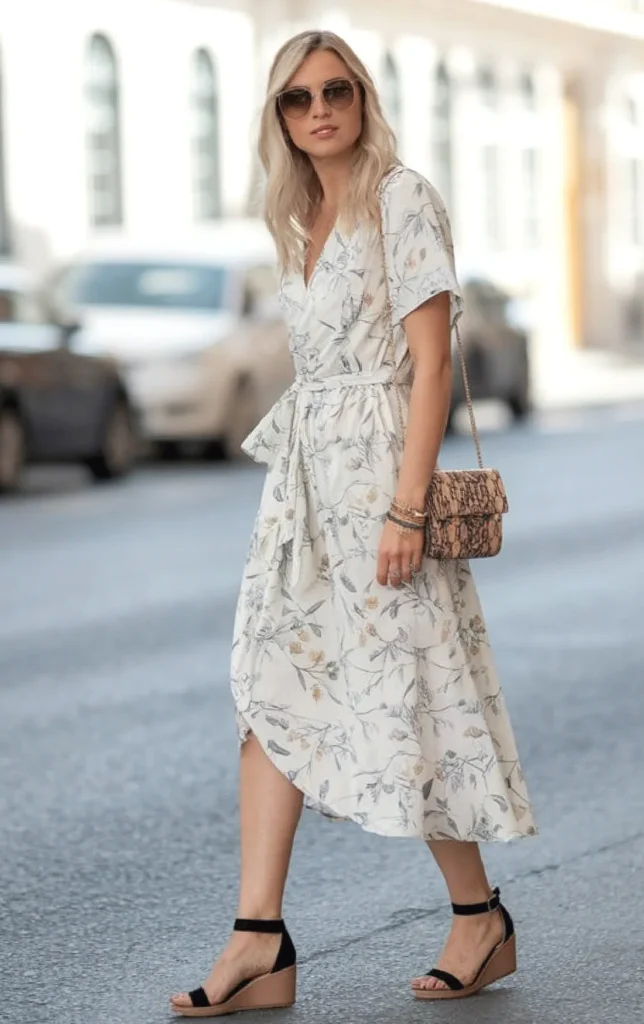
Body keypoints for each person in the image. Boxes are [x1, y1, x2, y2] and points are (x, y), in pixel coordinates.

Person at [170, 28, 537, 1018]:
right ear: (278, 119)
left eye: (336, 90)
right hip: (304, 495)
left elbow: (425, 365)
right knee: (264, 685)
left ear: (363, 100)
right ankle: (259, 938)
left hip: (383, 487)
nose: (319, 109)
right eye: (297, 98)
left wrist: (405, 506)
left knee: (404, 695)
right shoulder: (298, 214)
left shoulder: (399, 199)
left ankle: (478, 915)